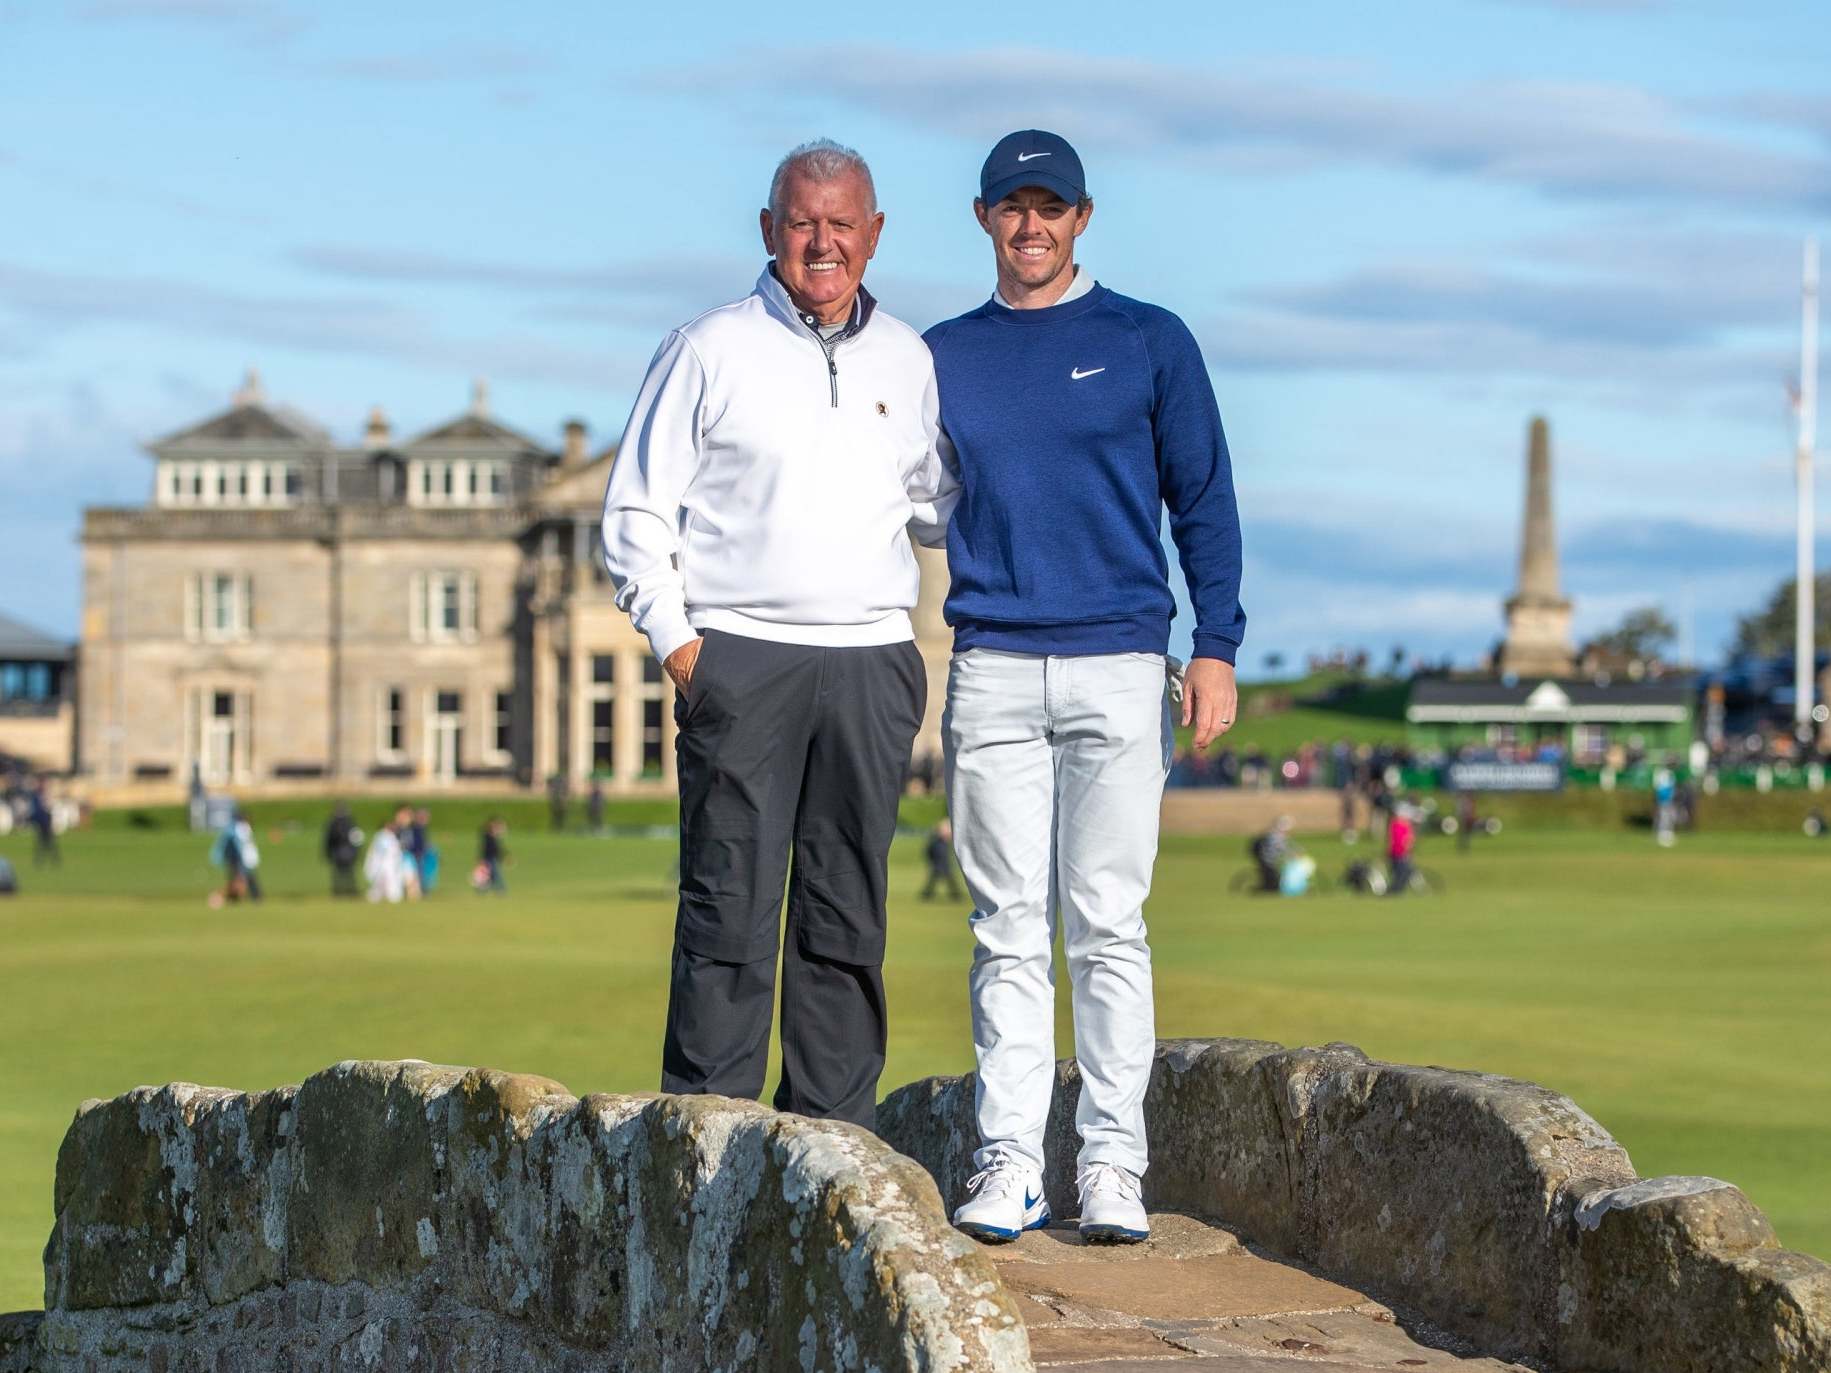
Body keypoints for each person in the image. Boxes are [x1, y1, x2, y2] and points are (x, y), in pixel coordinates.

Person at [927, 131, 1245, 1244]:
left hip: (1118, 658)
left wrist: (1219, 644)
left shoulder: (1149, 340)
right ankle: (1010, 1157)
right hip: (992, 664)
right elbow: (907, 494)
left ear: (1082, 216)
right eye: (1012, 208)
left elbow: (1202, 498)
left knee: (1107, 922)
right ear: (983, 220)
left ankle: (1112, 1160)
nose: (1031, 226)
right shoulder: (940, 355)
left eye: (1049, 208)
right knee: (1004, 925)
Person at [599, 138, 951, 1129]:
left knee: (847, 915)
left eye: (843, 224)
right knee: (729, 909)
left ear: (874, 235)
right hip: (740, 657)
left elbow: (940, 507)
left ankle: (833, 1145)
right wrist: (681, 645)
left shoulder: (910, 358)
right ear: (768, 229)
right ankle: (709, 1152)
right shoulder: (707, 347)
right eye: (803, 222)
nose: (823, 243)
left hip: (873, 658)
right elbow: (634, 513)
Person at [364, 807, 409, 904]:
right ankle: (389, 897)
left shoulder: (391, 836)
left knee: (388, 881)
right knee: (384, 881)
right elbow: (385, 850)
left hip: (390, 863)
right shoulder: (381, 835)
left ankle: (390, 897)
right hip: (384, 864)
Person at [323, 803, 360, 898]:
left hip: (337, 852)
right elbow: (357, 838)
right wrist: (356, 851)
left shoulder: (332, 823)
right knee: (349, 873)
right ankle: (351, 890)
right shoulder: (351, 822)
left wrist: (327, 852)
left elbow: (328, 839)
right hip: (349, 852)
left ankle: (338, 891)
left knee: (338, 873)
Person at [1250, 817, 1293, 894]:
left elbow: (1285, 846)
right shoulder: (1275, 836)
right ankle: (1266, 889)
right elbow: (1280, 847)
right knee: (1272, 875)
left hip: (1269, 859)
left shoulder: (1276, 835)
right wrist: (1291, 853)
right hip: (1266, 859)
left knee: (1272, 874)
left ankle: (1269, 888)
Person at [922, 819, 961, 901]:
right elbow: (931, 854)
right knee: (937, 881)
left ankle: (955, 895)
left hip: (942, 865)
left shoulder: (940, 843)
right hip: (940, 865)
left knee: (944, 881)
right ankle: (955, 895)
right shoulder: (937, 844)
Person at [27, 779, 58, 868]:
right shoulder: (37, 796)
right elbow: (37, 810)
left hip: (45, 822)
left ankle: (53, 859)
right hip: (41, 822)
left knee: (48, 842)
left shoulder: (43, 796)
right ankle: (41, 860)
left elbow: (48, 808)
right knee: (42, 843)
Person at [1386, 804, 1416, 895]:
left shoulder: (1396, 824)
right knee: (1400, 873)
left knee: (1401, 872)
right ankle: (1396, 890)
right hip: (1399, 853)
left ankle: (1397, 890)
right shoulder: (1398, 825)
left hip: (1399, 853)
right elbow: (1406, 840)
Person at [475, 816, 507, 894]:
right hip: (488, 858)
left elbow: (498, 849)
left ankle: (486, 889)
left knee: (492, 874)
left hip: (492, 858)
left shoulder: (492, 836)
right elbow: (486, 848)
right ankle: (500, 889)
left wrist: (502, 856)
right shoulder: (487, 836)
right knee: (493, 874)